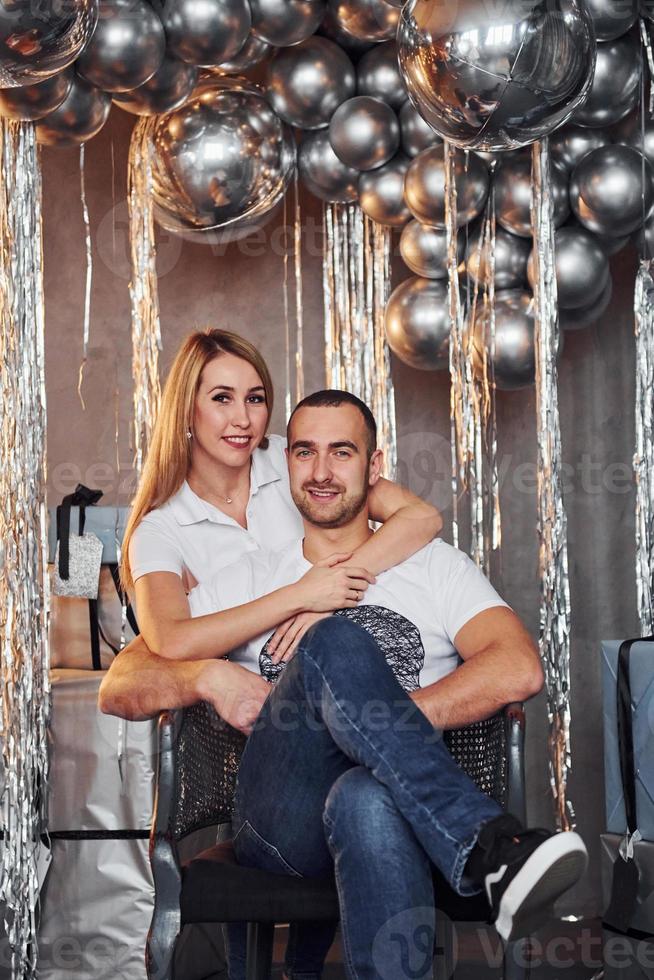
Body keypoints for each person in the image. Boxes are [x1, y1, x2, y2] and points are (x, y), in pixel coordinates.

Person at [101, 389, 589, 980]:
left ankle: (478, 848)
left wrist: (376, 721)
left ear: (374, 466)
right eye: (305, 452)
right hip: (282, 824)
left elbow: (518, 667)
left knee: (366, 794)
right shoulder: (253, 577)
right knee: (332, 640)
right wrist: (208, 675)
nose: (323, 472)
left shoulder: (433, 566)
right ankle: (490, 849)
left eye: (342, 452)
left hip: (402, 809)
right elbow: (122, 681)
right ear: (287, 467)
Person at [112, 327, 444, 979]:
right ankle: (479, 841)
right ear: (186, 409)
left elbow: (420, 519)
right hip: (253, 755)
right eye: (222, 399)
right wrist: (292, 601)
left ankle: (302, 967)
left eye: (256, 398)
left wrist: (332, 593)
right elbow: (168, 640)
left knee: (345, 719)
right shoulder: (162, 530)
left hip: (335, 721)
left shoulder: (292, 463)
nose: (243, 419)